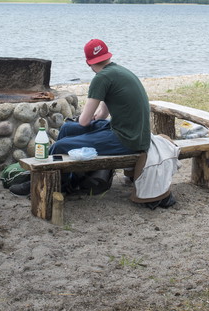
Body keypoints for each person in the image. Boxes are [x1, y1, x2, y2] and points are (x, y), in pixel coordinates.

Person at [46, 38, 175, 208]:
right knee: (68, 128)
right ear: (108, 56)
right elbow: (102, 114)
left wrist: (86, 120)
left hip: (127, 139)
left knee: (60, 146)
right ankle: (72, 178)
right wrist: (91, 120)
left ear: (88, 62)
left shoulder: (101, 78)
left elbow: (84, 121)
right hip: (134, 132)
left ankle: (59, 187)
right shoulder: (120, 72)